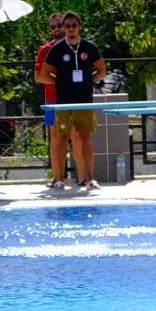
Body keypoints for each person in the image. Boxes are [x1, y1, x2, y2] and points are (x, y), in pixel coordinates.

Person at [43, 11, 107, 191]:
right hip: (64, 102)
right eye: (67, 26)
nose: (71, 29)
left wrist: (89, 80)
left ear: (79, 27)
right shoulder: (57, 49)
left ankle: (90, 179)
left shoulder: (89, 47)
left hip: (84, 101)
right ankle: (59, 179)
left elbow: (102, 70)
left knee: (85, 138)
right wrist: (60, 82)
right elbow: (43, 74)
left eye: (74, 25)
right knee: (61, 138)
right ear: (64, 28)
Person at [34, 12, 67, 186]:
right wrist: (61, 81)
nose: (57, 29)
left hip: (75, 99)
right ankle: (57, 178)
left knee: (78, 137)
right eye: (53, 27)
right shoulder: (45, 49)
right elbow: (38, 77)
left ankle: (85, 178)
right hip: (53, 100)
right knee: (56, 138)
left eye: (59, 25)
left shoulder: (77, 46)